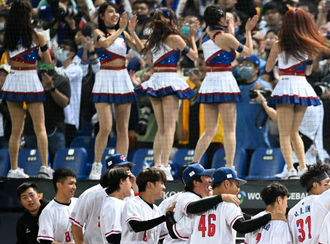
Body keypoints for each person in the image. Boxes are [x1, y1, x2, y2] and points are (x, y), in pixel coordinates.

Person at [264, 8, 330, 178]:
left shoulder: (278, 44)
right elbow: (308, 71)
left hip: (286, 85)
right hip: (302, 86)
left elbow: (267, 68)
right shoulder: (308, 44)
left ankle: (290, 168)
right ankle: (302, 166)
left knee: (284, 133)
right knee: (295, 131)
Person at [136, 8, 199, 180]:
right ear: (172, 21)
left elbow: (141, 51)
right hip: (169, 79)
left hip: (156, 80)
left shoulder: (154, 40)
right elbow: (194, 57)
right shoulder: (175, 38)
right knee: (169, 127)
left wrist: (130, 32)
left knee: (161, 127)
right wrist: (192, 38)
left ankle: (158, 164)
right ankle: (164, 165)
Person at [192, 5, 257, 169]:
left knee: (209, 130)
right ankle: (229, 166)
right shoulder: (226, 37)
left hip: (209, 82)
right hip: (224, 81)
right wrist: (248, 31)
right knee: (229, 130)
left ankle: (194, 163)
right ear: (220, 19)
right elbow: (248, 52)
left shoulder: (204, 37)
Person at [88, 2, 144, 180]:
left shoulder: (123, 32)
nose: (114, 15)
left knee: (122, 128)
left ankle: (122, 167)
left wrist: (132, 31)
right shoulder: (98, 32)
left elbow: (141, 49)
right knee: (105, 127)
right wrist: (120, 30)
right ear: (102, 16)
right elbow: (103, 44)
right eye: (110, 12)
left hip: (121, 78)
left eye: (116, 12)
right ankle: (97, 165)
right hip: (105, 78)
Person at [1, 0, 54, 179]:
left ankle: (14, 169)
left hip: (14, 79)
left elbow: (8, 60)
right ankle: (45, 167)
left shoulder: (7, 37)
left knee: (16, 129)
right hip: (31, 80)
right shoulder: (38, 36)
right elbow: (48, 62)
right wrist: (39, 56)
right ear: (29, 16)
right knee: (40, 127)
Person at [23, 61, 71, 170]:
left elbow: (64, 102)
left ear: (53, 62)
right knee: (32, 167)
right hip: (31, 131)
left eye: (47, 61)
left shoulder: (61, 80)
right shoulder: (32, 79)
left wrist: (51, 88)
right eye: (40, 60)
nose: (43, 64)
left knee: (59, 168)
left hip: (53, 130)